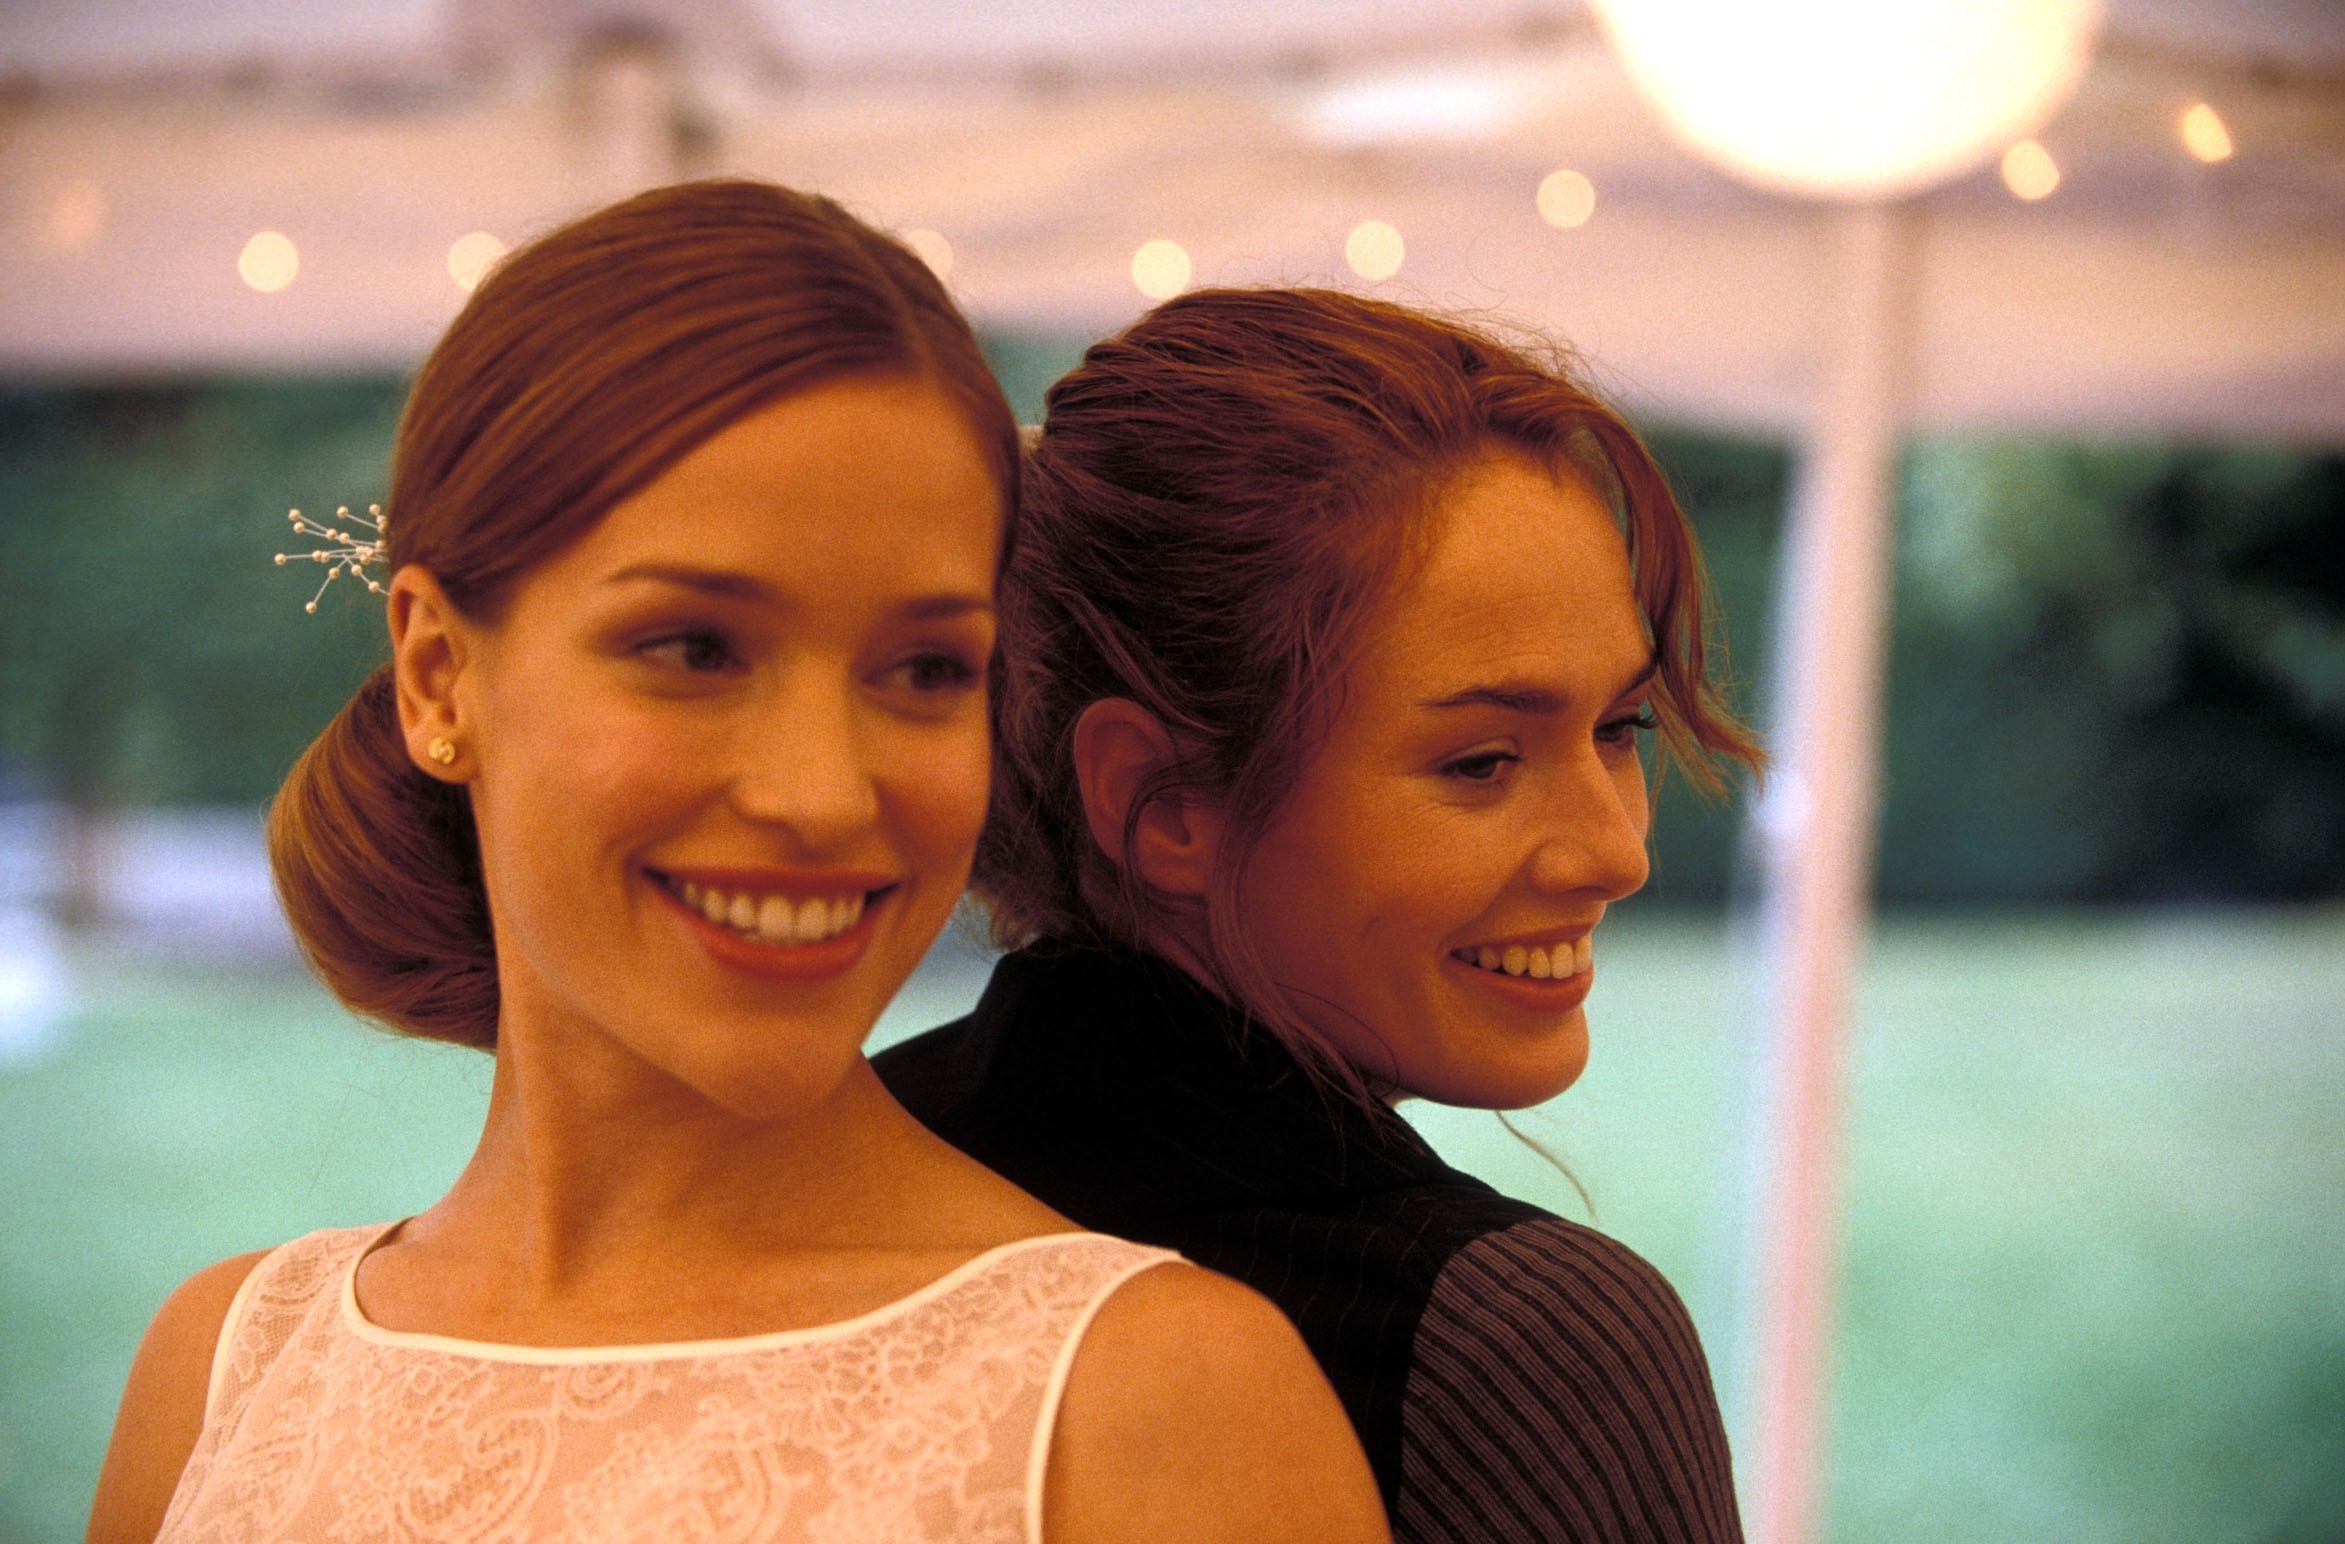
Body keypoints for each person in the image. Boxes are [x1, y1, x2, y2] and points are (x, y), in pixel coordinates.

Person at [85, 185, 1386, 1544]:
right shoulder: (223, 1371)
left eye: (925, 668)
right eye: (694, 649)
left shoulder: (1154, 1409)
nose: (820, 795)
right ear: (437, 677)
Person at [877, 287, 1763, 1543]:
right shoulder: (1501, 1341)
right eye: (1481, 761)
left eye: (1617, 728)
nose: (1615, 852)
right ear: (1163, 802)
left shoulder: (812, 1177)